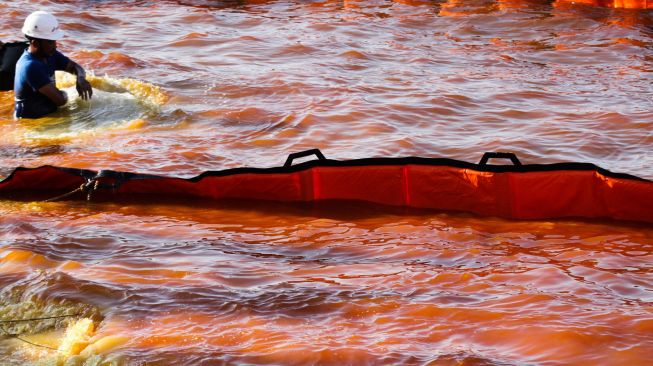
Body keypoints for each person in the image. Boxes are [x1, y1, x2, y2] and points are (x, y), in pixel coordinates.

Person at [14, 11, 92, 119]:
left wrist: (81, 78)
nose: (55, 46)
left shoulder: (50, 54)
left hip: (47, 115)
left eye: (54, 41)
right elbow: (60, 100)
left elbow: (75, 67)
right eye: (50, 42)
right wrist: (66, 93)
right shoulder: (30, 66)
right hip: (33, 123)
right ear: (36, 43)